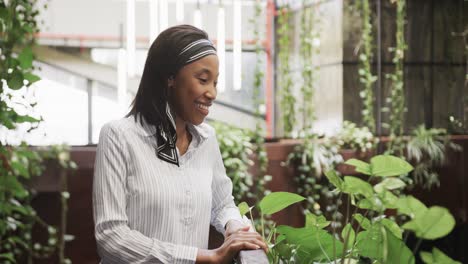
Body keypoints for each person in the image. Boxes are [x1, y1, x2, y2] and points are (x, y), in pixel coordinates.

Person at [92, 24, 268, 263]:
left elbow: (222, 203)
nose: (212, 93)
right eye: (203, 79)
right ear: (169, 77)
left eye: (215, 83)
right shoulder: (119, 137)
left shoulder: (207, 139)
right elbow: (111, 237)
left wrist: (235, 226)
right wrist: (204, 257)